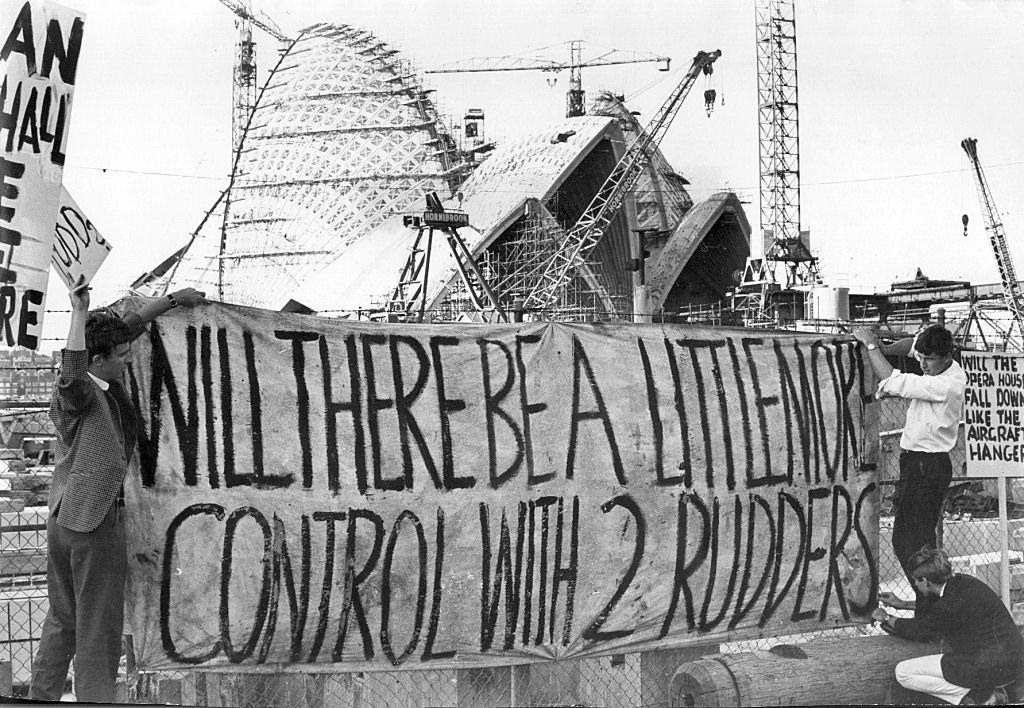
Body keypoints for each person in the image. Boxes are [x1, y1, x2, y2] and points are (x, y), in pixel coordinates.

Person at [29, 278, 207, 702]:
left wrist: (170, 301)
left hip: (65, 519)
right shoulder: (80, 393)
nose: (128, 360)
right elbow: (71, 371)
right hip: (93, 525)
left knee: (64, 620)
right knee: (98, 629)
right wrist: (77, 312)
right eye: (121, 356)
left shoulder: (99, 384)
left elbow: (125, 327)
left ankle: (41, 696)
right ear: (96, 359)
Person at [853, 324, 966, 614]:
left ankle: (930, 607)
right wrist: (888, 346)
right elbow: (910, 346)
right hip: (918, 463)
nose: (923, 363)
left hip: (927, 465)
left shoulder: (946, 384)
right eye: (923, 357)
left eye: (930, 359)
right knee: (918, 542)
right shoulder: (937, 365)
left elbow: (892, 380)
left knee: (907, 542)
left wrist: (871, 346)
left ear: (946, 356)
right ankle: (931, 608)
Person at [873, 547, 1023, 705]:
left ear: (925, 580)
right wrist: (901, 604)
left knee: (903, 672)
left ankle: (982, 694)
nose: (915, 584)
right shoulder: (964, 582)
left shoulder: (947, 606)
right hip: (1015, 661)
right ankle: (986, 692)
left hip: (989, 666)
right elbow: (939, 610)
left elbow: (920, 629)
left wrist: (886, 617)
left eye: (916, 580)